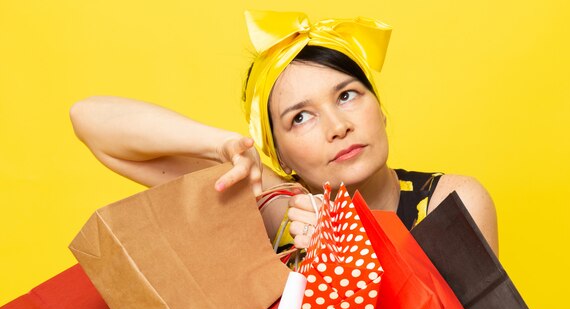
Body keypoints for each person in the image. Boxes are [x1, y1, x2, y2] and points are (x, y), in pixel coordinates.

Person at [69, 10, 498, 256]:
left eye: (347, 95)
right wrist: (217, 145)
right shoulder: (274, 206)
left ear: (379, 108)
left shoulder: (450, 202)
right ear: (281, 156)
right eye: (300, 117)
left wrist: (343, 259)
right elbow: (89, 119)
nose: (338, 126)